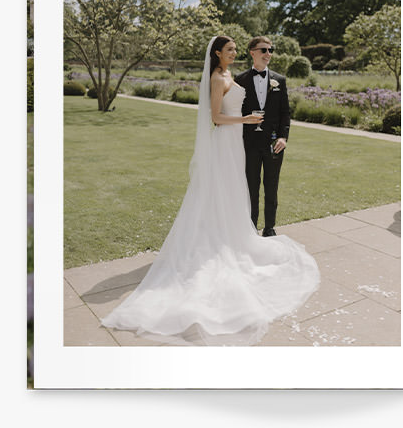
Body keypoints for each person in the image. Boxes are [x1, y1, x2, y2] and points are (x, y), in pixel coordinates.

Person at [100, 36, 320, 345]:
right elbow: (215, 118)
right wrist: (246, 119)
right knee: (222, 192)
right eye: (229, 49)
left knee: (235, 195)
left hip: (236, 144)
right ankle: (217, 242)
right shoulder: (219, 77)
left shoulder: (231, 74)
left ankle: (236, 235)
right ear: (218, 53)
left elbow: (277, 111)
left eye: (235, 50)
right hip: (227, 141)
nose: (234, 53)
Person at [233, 36, 291, 238]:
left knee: (272, 186)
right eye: (264, 50)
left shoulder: (279, 81)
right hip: (248, 144)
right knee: (251, 188)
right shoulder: (239, 79)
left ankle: (270, 228)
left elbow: (285, 112)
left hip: (274, 143)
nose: (268, 54)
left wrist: (283, 137)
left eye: (270, 49)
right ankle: (250, 229)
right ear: (252, 52)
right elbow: (233, 109)